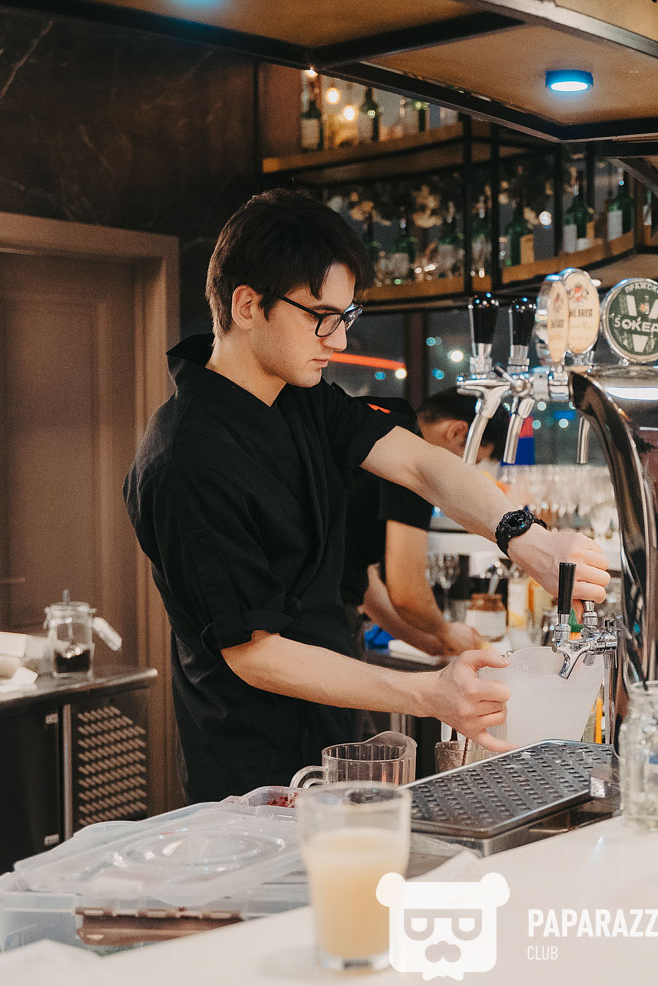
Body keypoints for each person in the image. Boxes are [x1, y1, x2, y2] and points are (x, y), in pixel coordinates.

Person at [124, 190, 608, 802]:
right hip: (248, 772)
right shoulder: (186, 458)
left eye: (346, 317)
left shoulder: (300, 398)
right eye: (321, 316)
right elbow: (254, 653)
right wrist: (429, 693)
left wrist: (527, 538)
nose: (337, 339)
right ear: (247, 305)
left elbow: (422, 465)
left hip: (332, 736)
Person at [342, 389, 502, 657]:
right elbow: (407, 594)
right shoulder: (415, 463)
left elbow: (357, 577)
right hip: (321, 621)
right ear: (457, 432)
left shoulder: (382, 436)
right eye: (470, 463)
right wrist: (446, 630)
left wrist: (428, 641)